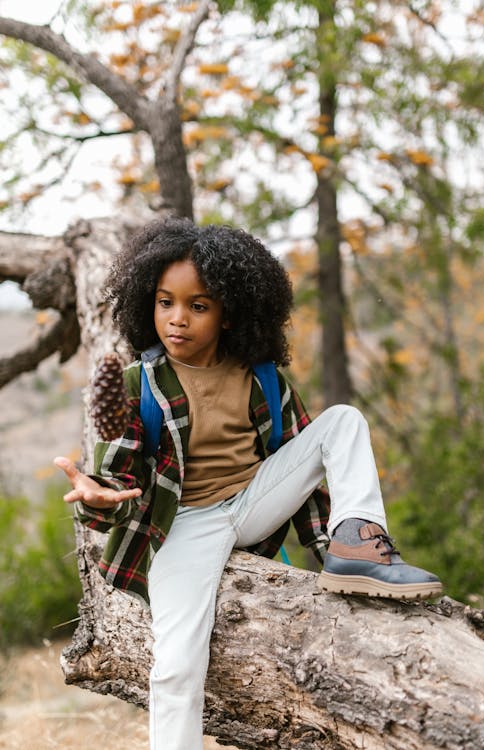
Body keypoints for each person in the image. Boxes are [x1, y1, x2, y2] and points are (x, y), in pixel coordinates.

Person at [54, 217, 442, 750]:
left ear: (230, 313)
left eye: (198, 305)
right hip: (183, 525)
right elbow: (117, 479)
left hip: (254, 503)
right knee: (176, 668)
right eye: (165, 302)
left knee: (344, 421)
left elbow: (304, 466)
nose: (177, 320)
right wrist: (97, 500)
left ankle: (359, 547)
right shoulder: (137, 384)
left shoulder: (262, 377)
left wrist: (323, 543)